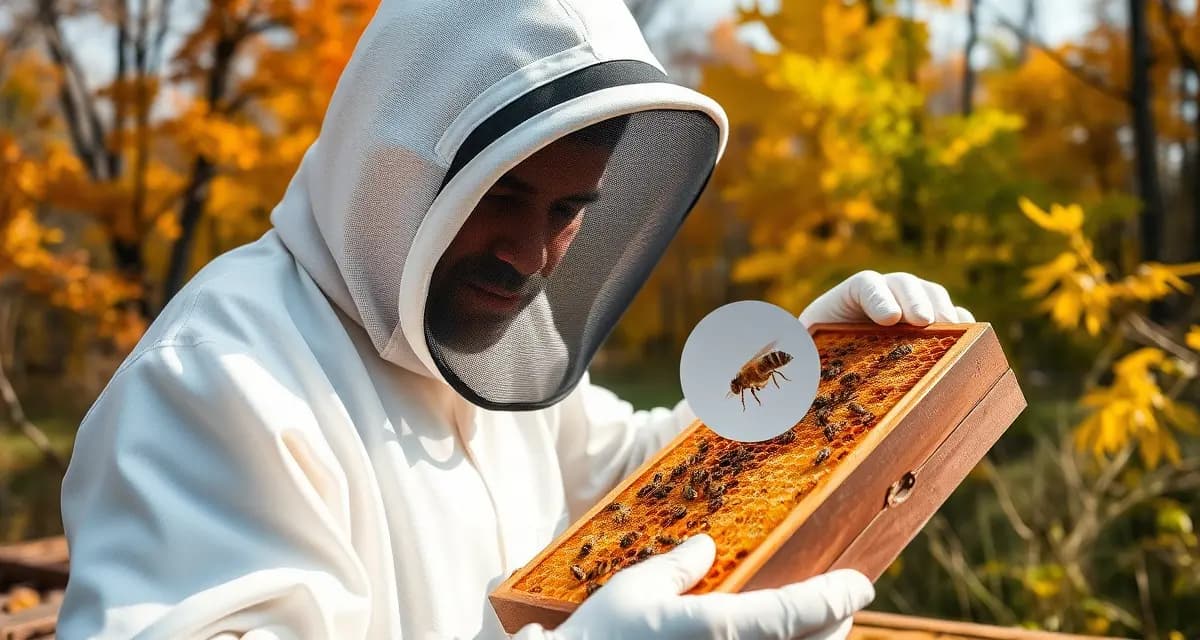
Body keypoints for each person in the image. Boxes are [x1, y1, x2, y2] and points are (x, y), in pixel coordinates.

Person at [56, 1, 976, 638]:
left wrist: (805, 376)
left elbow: (633, 477)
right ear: (397, 166)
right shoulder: (217, 382)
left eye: (569, 210)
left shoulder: (492, 353)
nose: (530, 256)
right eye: (501, 195)